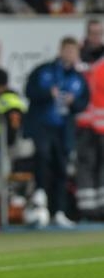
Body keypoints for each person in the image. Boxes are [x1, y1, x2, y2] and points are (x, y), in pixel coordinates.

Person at [24, 36, 90, 227]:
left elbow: (83, 102)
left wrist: (73, 103)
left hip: (64, 128)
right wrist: (47, 94)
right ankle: (40, 198)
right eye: (67, 50)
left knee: (62, 168)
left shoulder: (78, 78)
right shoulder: (44, 70)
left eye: (73, 51)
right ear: (60, 50)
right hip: (43, 125)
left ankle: (59, 211)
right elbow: (29, 91)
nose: (70, 54)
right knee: (42, 157)